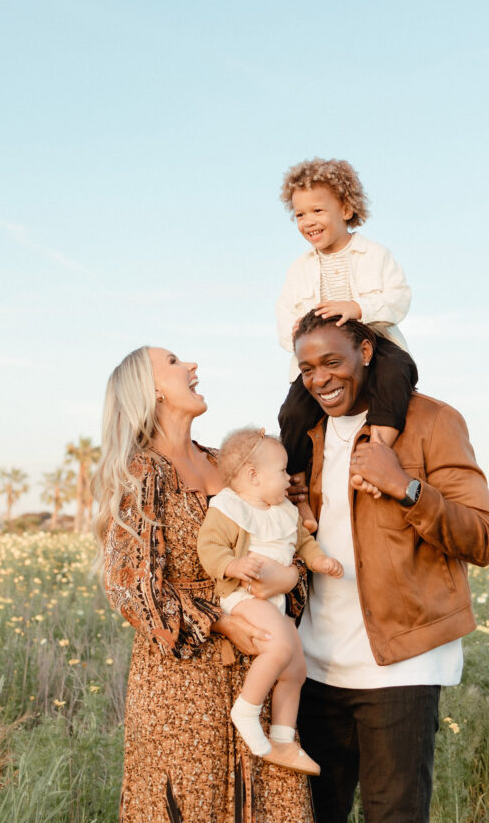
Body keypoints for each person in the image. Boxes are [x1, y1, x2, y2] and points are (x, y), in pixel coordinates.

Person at [288, 311, 489, 823]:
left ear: (366, 352)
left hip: (402, 666)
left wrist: (406, 487)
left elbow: (483, 537)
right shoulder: (303, 436)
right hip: (313, 669)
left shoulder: (432, 421)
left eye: (332, 361)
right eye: (307, 368)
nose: (320, 378)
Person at [92, 346, 314, 823]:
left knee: (273, 803)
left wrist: (291, 573)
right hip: (182, 685)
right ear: (151, 390)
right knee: (190, 803)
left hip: (260, 665)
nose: (192, 366)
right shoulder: (141, 473)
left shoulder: (232, 465)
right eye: (174, 362)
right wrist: (220, 623)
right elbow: (131, 587)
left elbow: (283, 545)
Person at [275, 157, 418, 532]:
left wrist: (358, 308)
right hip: (322, 353)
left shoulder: (373, 255)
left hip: (372, 339)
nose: (308, 221)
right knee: (292, 413)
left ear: (347, 208)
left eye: (318, 210)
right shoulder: (300, 268)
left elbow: (398, 298)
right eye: (299, 214)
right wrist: (293, 334)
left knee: (396, 374)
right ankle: (299, 489)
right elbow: (284, 311)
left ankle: (377, 453)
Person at [197, 426, 343, 774]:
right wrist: (232, 564)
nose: (288, 478)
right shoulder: (231, 508)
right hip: (243, 596)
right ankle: (245, 710)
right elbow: (209, 546)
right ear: (253, 476)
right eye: (281, 471)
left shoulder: (283, 511)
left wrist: (318, 559)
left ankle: (282, 738)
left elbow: (302, 544)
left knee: (296, 669)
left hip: (274, 602)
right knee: (278, 649)